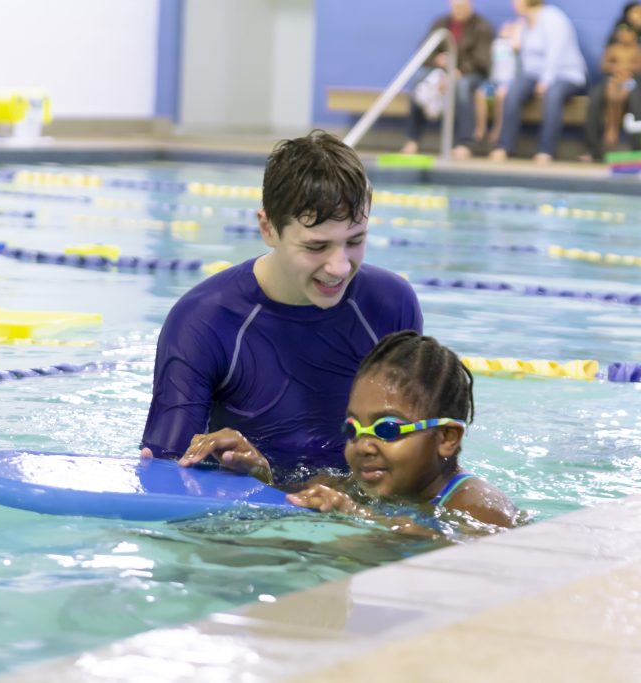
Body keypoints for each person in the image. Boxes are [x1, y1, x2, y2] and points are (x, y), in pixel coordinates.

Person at [140, 131, 423, 480]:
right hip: (251, 521)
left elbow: (415, 454)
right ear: (268, 228)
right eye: (316, 247)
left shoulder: (390, 306)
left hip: (356, 509)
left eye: (355, 241)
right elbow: (167, 476)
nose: (340, 266)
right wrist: (263, 481)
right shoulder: (205, 322)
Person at [281, 331, 520, 530]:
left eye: (386, 429)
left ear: (446, 438)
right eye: (354, 429)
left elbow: (469, 554)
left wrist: (360, 516)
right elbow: (292, 494)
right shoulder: (360, 486)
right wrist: (257, 470)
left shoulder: (482, 508)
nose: (363, 445)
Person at [488, 0, 587, 164]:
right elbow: (525, 61)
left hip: (567, 74)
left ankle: (546, 150)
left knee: (552, 95)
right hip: (534, 74)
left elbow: (555, 52)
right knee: (512, 93)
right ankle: (504, 146)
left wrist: (546, 81)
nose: (513, 3)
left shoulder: (552, 17)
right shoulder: (524, 24)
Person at [400, 0, 494, 160]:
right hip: (441, 72)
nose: (458, 10)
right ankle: (413, 139)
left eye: (462, 7)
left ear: (470, 6)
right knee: (418, 79)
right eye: (455, 7)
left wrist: (458, 71)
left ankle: (465, 143)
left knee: (462, 86)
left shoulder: (482, 26)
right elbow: (424, 53)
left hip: (471, 74)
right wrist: (437, 60)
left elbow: (482, 61)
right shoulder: (441, 23)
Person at [583, 1, 641, 161]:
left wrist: (628, 74)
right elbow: (605, 63)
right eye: (637, 13)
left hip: (638, 83)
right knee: (595, 95)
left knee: (635, 97)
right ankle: (593, 149)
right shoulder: (614, 38)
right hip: (613, 79)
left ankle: (637, 149)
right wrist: (616, 72)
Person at [472, 22, 519, 146]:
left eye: (510, 29)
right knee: (480, 93)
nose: (506, 30)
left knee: (500, 95)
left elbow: (517, 47)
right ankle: (481, 127)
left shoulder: (514, 46)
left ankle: (498, 129)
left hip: (509, 81)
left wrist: (516, 32)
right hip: (494, 80)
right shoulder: (495, 44)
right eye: (504, 28)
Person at [600, 23, 641, 147]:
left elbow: (639, 66)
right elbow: (604, 65)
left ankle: (616, 128)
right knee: (611, 97)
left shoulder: (636, 50)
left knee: (621, 97)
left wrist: (626, 69)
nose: (625, 36)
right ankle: (610, 127)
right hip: (615, 78)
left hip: (628, 80)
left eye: (628, 33)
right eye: (622, 33)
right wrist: (616, 68)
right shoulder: (613, 49)